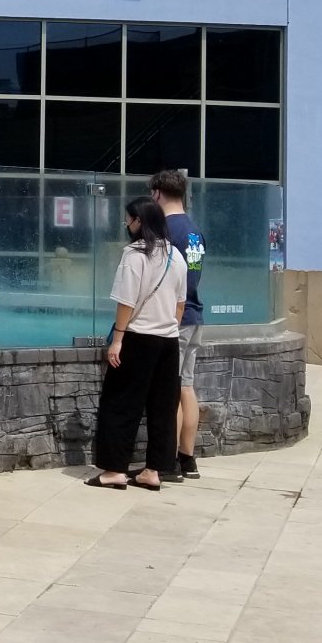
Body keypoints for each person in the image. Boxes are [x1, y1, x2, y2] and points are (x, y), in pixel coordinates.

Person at [87, 197, 188, 491]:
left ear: (139, 222)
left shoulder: (135, 255)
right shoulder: (175, 256)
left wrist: (117, 339)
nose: (126, 225)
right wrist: (166, 327)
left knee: (120, 404)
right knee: (162, 408)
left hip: (137, 339)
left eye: (128, 219)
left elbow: (126, 302)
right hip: (168, 341)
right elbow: (180, 305)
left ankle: (114, 470)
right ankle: (153, 471)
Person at [151, 170, 206, 480]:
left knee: (169, 391)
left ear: (158, 194)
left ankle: (166, 461)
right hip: (195, 315)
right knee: (186, 385)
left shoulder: (166, 230)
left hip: (176, 319)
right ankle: (188, 458)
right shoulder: (194, 231)